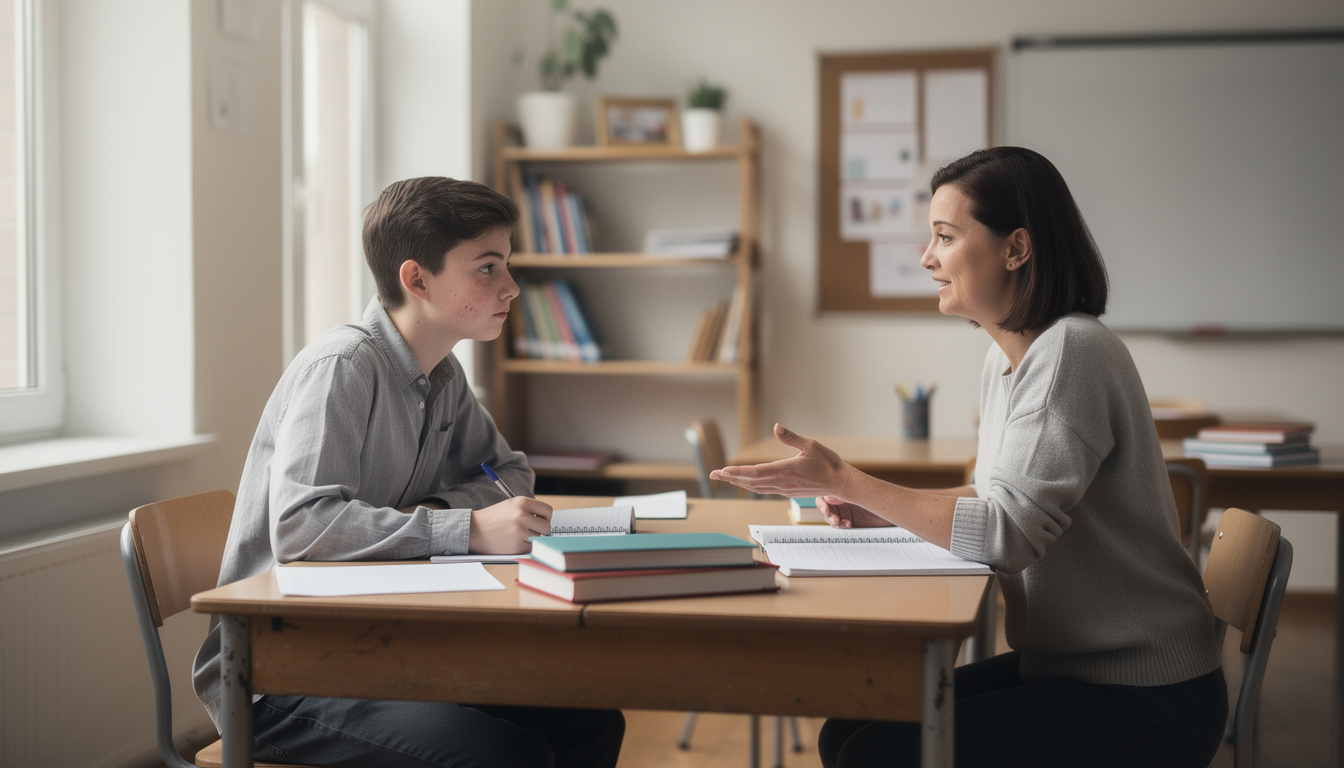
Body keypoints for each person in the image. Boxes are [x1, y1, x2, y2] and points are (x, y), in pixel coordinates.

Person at [711, 147, 1227, 768]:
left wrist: (849, 478)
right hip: (1075, 668)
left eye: (945, 237)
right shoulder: (1007, 358)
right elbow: (993, 500)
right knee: (848, 731)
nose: (927, 257)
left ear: (1016, 248)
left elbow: (1006, 535)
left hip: (1146, 696)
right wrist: (877, 507)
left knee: (875, 753)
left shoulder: (1071, 352)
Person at [192, 177, 624, 768]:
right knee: (503, 755)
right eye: (488, 269)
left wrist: (450, 514)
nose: (512, 287)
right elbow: (302, 529)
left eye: (507, 265)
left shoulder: (442, 374)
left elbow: (509, 474)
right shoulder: (343, 367)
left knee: (590, 721)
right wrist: (468, 530)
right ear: (417, 280)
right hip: (280, 670)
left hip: (377, 643)